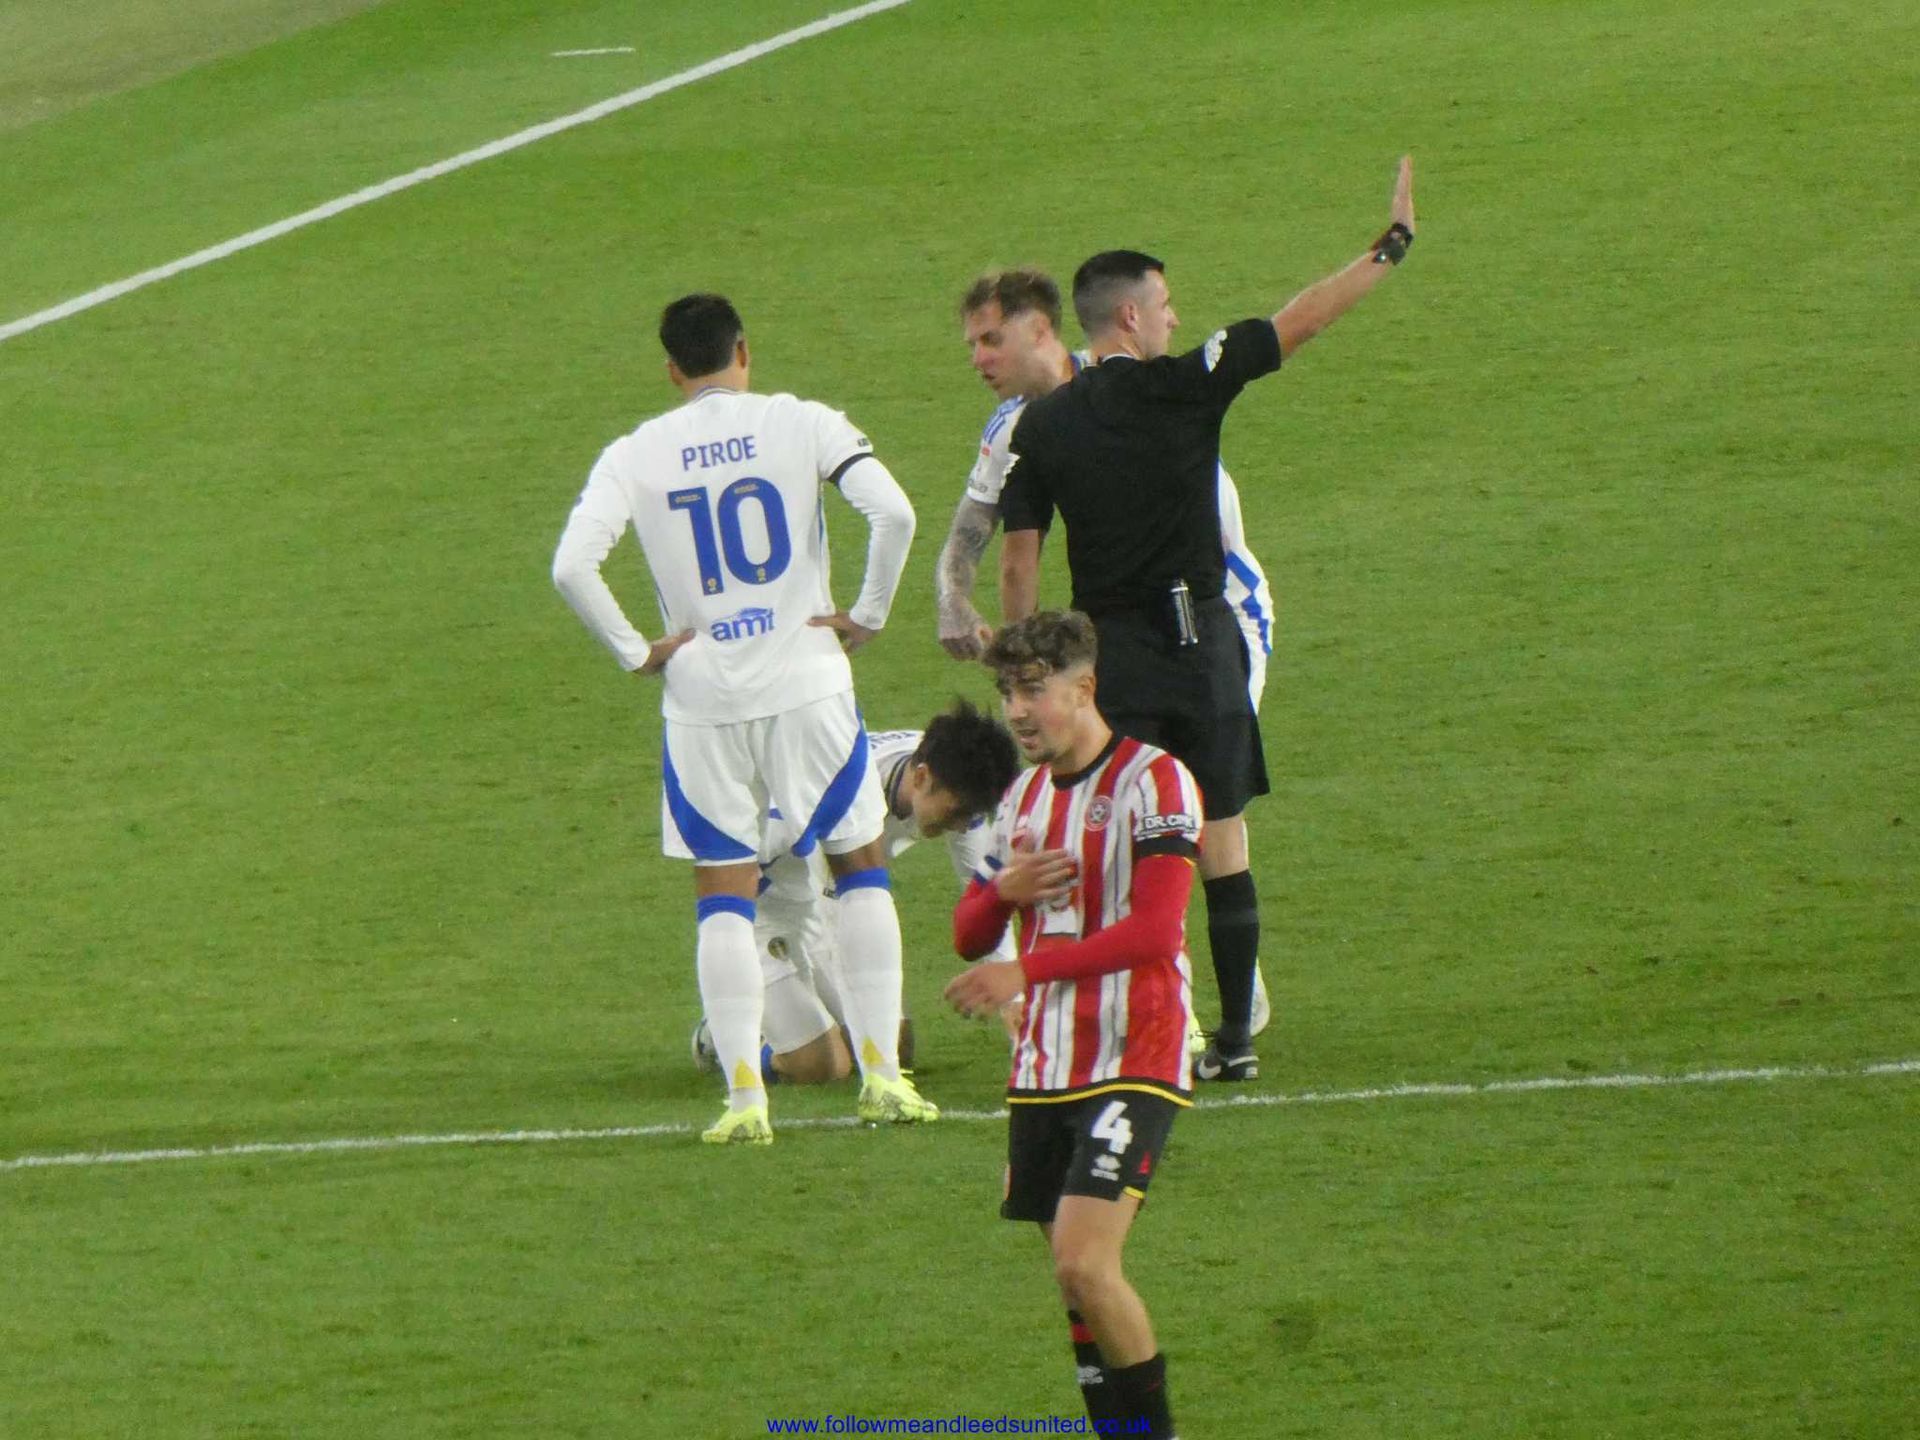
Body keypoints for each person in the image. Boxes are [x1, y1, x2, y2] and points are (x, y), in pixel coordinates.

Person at [999, 157, 1418, 1082]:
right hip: (1203, 647)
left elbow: (1019, 560)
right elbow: (1301, 318)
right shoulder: (1187, 383)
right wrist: (1389, 248)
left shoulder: (1044, 427)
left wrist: (1026, 674)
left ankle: (1134, 1035)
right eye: (1165, 305)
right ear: (1130, 316)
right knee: (1222, 837)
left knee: (1122, 847)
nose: (1175, 318)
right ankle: (1234, 1040)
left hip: (1111, 660)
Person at [551, 291, 937, 1144]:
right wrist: (868, 614)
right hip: (808, 681)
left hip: (703, 699)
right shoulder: (803, 421)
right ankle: (883, 1079)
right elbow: (896, 512)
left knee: (722, 893)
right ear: (744, 350)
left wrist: (637, 651)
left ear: (672, 370)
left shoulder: (634, 453)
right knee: (861, 867)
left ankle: (743, 1100)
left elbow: (572, 566)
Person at [936, 267, 1274, 1045]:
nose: (978, 359)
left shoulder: (1132, 378)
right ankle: (1200, 1006)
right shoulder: (1016, 427)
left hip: (1219, 617)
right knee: (1127, 806)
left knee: (1182, 807)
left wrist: (1026, 669)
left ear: (1041, 332)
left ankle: (1215, 1003)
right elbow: (973, 539)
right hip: (1128, 636)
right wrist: (955, 602)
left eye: (991, 340)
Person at [945, 610, 1201, 1440]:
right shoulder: (1020, 799)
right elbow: (968, 934)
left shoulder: (1155, 782)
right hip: (1044, 1065)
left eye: (1033, 690)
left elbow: (1155, 931)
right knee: (1074, 1286)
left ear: (1084, 687)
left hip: (1136, 1049)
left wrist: (1023, 971)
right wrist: (1001, 894)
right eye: (1006, 691)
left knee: (1085, 1262)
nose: (1017, 711)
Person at [690, 701, 1022, 1083]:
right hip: (768, 911)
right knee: (825, 1066)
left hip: (832, 899)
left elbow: (984, 895)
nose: (961, 826)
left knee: (892, 1050)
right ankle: (728, 1030)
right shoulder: (833, 793)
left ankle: (798, 1013)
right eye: (956, 813)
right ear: (921, 777)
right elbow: (734, 867)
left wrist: (1013, 1001)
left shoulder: (957, 779)